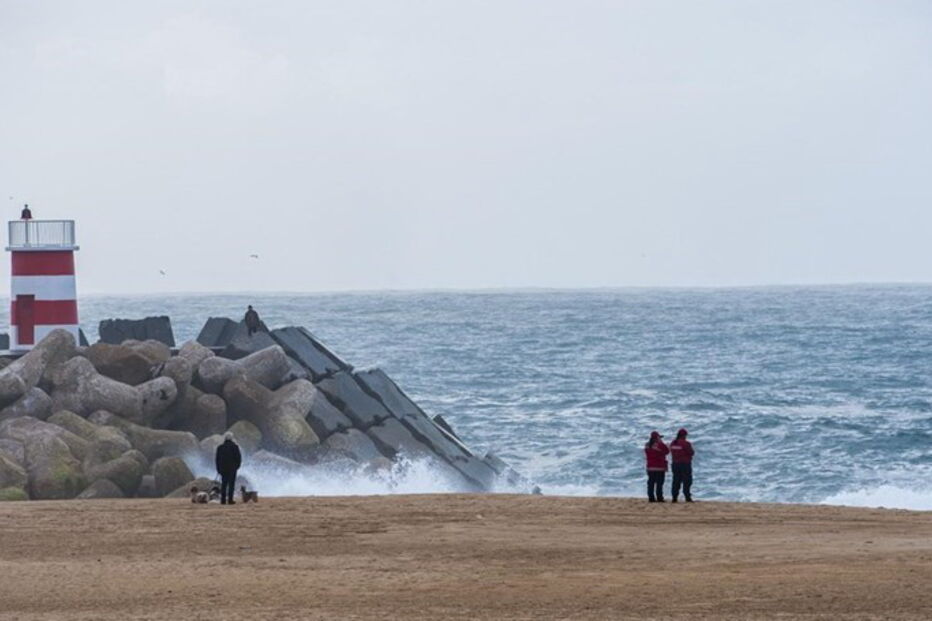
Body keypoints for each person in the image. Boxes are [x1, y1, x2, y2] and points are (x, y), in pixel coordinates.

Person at [215, 432, 242, 505]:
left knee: (223, 484)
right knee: (231, 484)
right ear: (232, 438)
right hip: (232, 469)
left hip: (223, 469)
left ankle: (223, 500)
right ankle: (230, 500)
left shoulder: (220, 447)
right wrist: (237, 467)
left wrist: (218, 469)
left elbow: (217, 459)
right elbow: (238, 458)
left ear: (225, 438)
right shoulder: (235, 447)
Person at [670, 428, 694, 503]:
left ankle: (674, 497)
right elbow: (691, 452)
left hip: (675, 464)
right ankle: (687, 497)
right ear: (684, 435)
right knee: (687, 481)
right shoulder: (686, 443)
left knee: (676, 481)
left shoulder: (673, 443)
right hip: (685, 464)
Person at [644, 430, 669, 502]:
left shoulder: (647, 445)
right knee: (659, 483)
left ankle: (651, 498)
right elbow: (667, 451)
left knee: (651, 483)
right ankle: (659, 497)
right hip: (659, 467)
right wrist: (662, 443)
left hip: (650, 467)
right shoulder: (660, 445)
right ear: (657, 437)